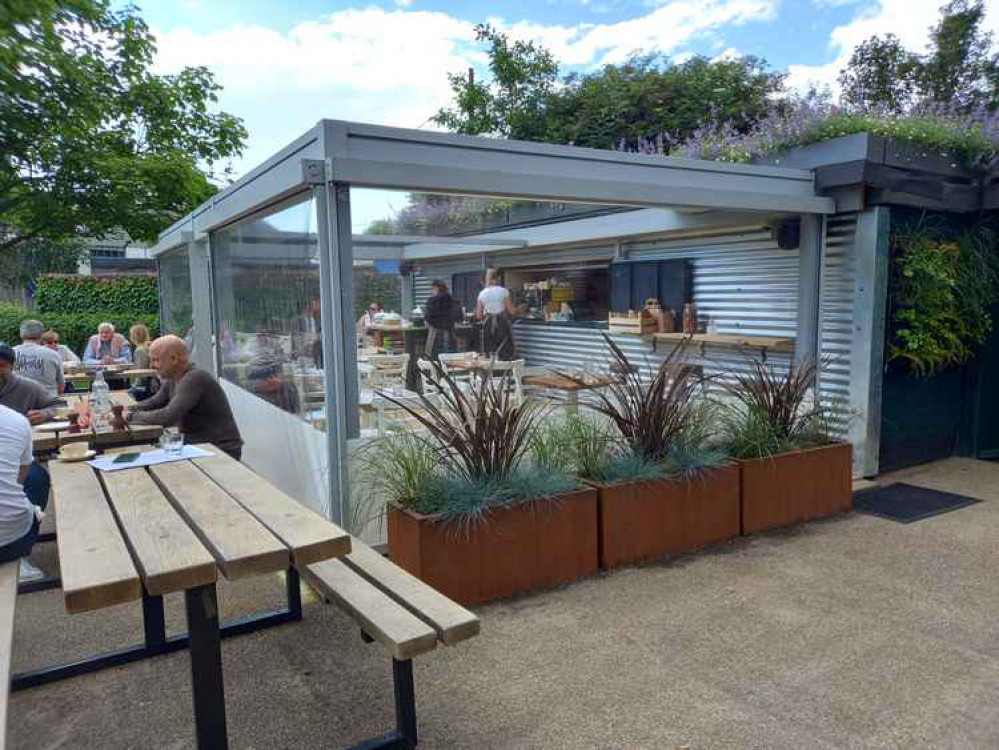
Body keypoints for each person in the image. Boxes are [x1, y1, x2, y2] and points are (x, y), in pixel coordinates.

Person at [128, 335, 244, 460]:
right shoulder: (173, 378)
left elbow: (167, 417)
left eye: (156, 360)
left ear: (174, 359)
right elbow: (154, 402)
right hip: (199, 445)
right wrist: (126, 409)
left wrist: (130, 416)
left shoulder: (194, 378)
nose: (152, 365)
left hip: (220, 449)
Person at [0, 403, 50, 582]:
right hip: (12, 543)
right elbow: (19, 480)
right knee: (36, 475)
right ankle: (20, 561)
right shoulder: (17, 420)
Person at [0, 343, 61, 424]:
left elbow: (60, 407)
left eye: (1, 365)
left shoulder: (29, 388)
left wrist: (45, 414)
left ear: (12, 366)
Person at [14, 319, 64, 396]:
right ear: (41, 335)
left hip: (17, 401)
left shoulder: (10, 352)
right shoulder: (53, 354)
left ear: (21, 335)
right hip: (47, 401)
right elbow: (61, 387)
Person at [475, 271, 517, 360]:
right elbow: (512, 311)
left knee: (489, 350)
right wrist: (521, 308)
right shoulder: (503, 291)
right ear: (496, 279)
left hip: (488, 323)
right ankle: (504, 370)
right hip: (502, 322)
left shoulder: (482, 293)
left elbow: (479, 315)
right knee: (504, 348)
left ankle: (492, 371)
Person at [425, 280, 458, 358]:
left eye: (432, 289)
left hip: (436, 332)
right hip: (450, 332)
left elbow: (428, 317)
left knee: (434, 358)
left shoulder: (431, 300)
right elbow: (458, 316)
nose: (432, 291)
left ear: (436, 288)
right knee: (451, 357)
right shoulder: (453, 300)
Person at [128, 323, 157, 401]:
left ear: (134, 336)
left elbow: (142, 373)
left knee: (126, 394)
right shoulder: (151, 345)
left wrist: (134, 386)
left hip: (148, 386)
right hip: (156, 383)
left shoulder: (140, 350)